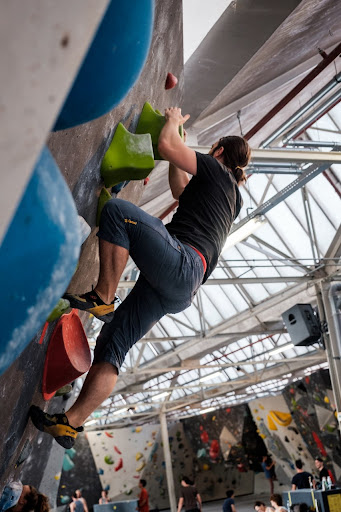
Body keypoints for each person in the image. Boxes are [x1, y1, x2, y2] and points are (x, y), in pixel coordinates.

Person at [30, 107, 251, 448]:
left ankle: (104, 296)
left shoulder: (215, 171)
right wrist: (179, 143)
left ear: (219, 151)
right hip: (180, 288)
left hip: (181, 263)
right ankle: (70, 423)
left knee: (118, 213)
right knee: (112, 345)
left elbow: (165, 147)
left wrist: (175, 124)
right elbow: (180, 189)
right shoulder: (230, 198)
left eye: (213, 149)